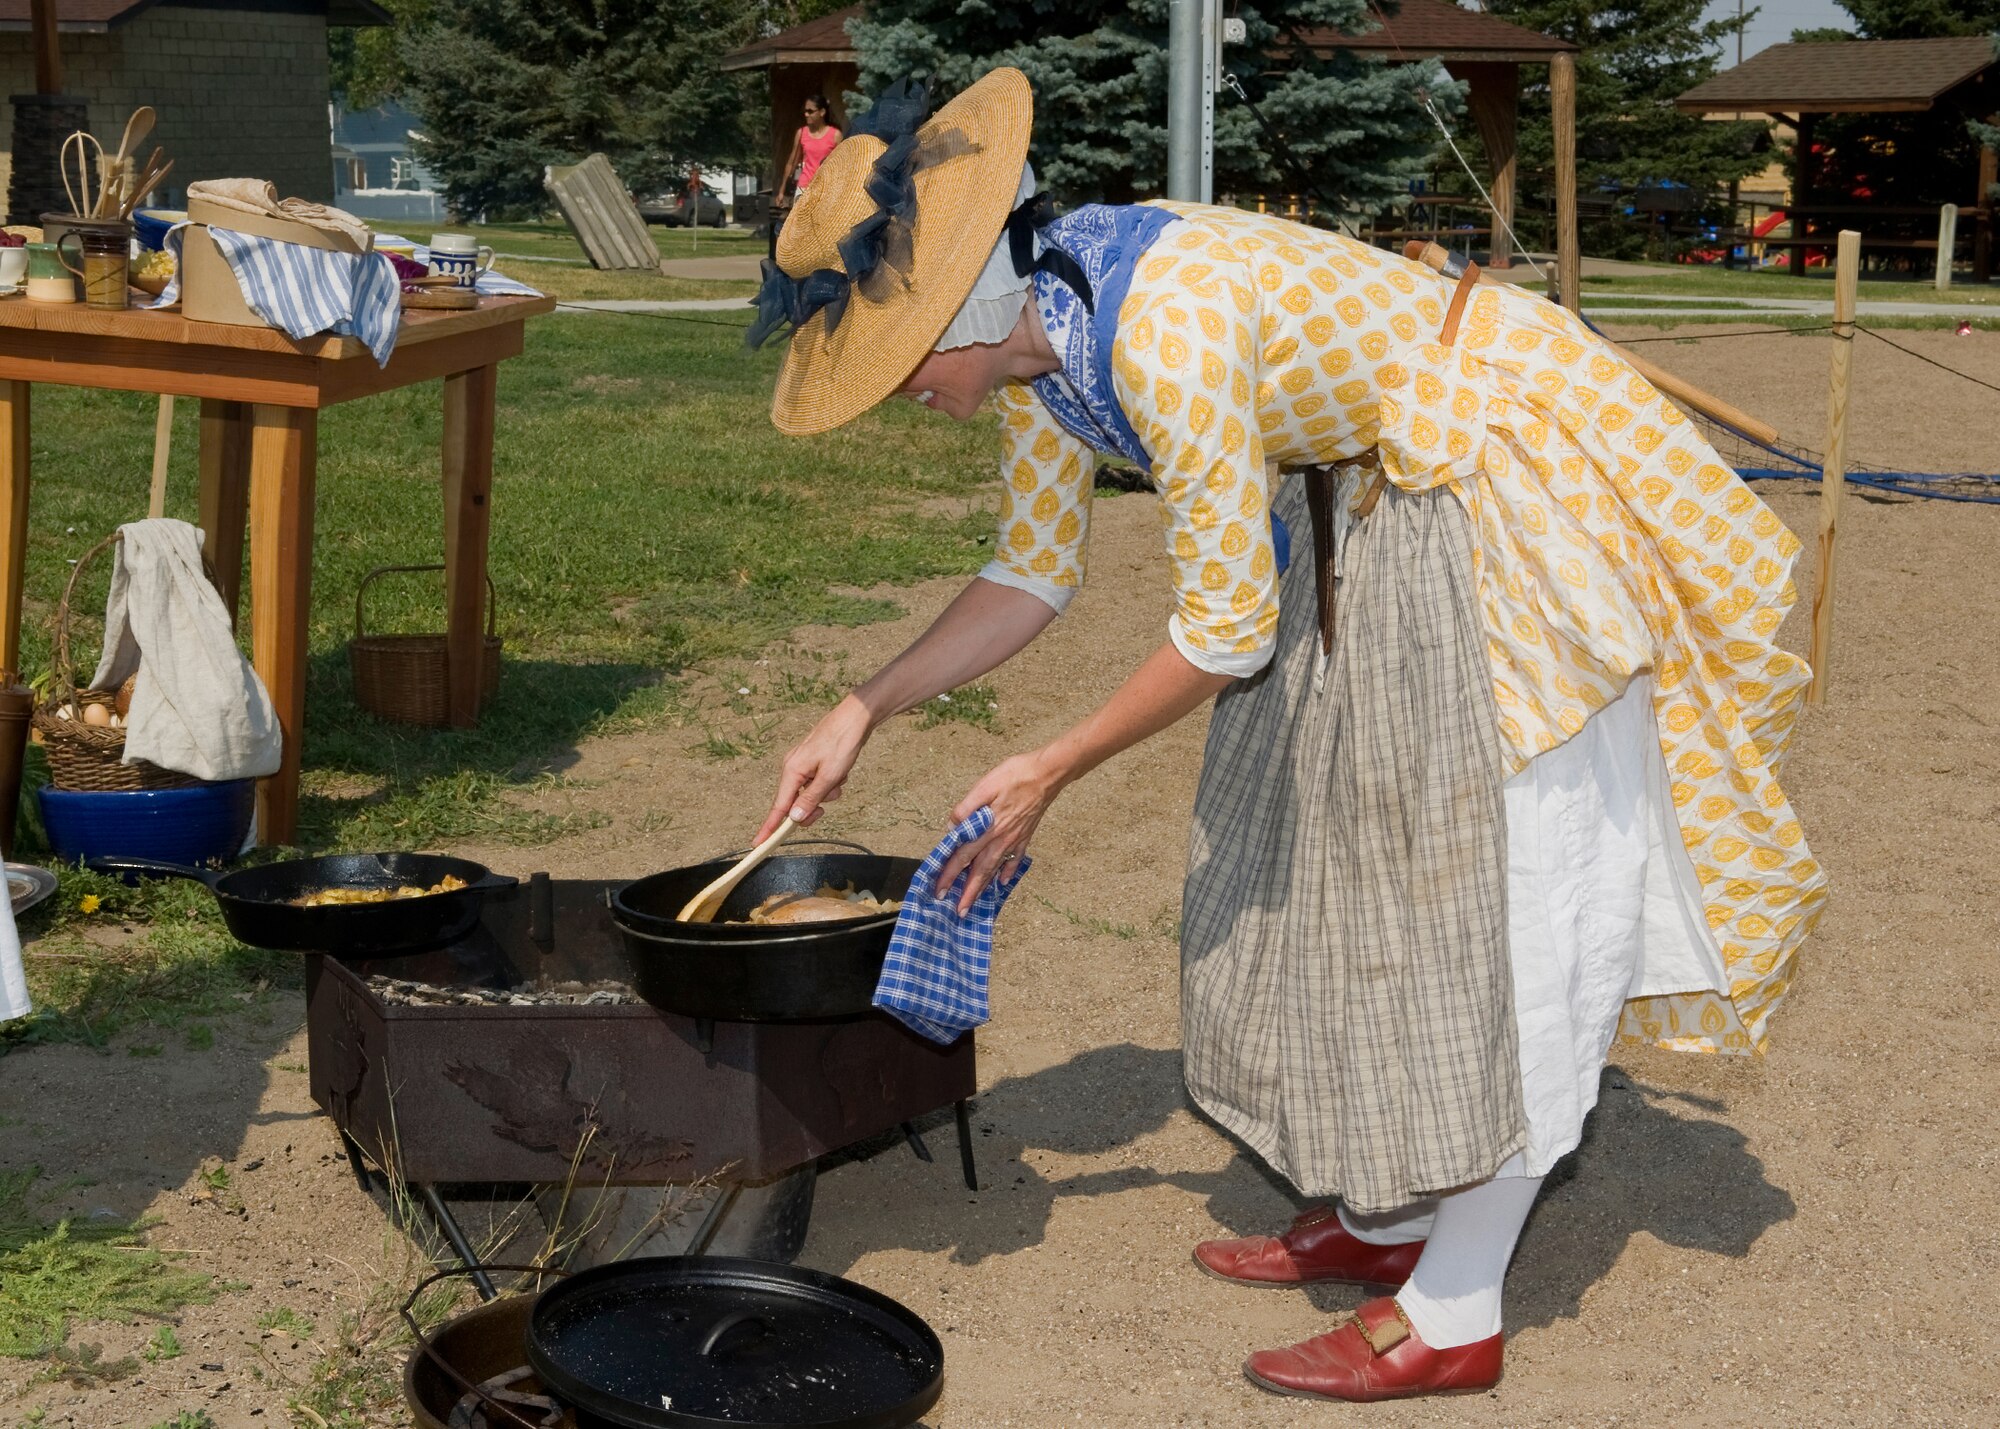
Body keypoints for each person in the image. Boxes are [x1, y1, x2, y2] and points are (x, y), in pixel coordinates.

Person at [746, 69, 1823, 1402]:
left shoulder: (1163, 324)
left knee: (1495, 885)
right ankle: (1393, 1217)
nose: (894, 394)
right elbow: (1031, 572)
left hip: (1501, 477)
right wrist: (862, 705)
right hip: (1377, 494)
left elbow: (1224, 627)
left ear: (960, 309)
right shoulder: (1043, 349)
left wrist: (1051, 767)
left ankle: (1455, 1306)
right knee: (1349, 856)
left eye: (892, 360)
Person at [780, 94, 842, 206]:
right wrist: (782, 190)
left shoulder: (835, 135)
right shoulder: (802, 133)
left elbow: (842, 165)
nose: (806, 114)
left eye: (810, 111)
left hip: (826, 190)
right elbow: (791, 163)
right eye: (805, 111)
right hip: (804, 188)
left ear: (822, 112)